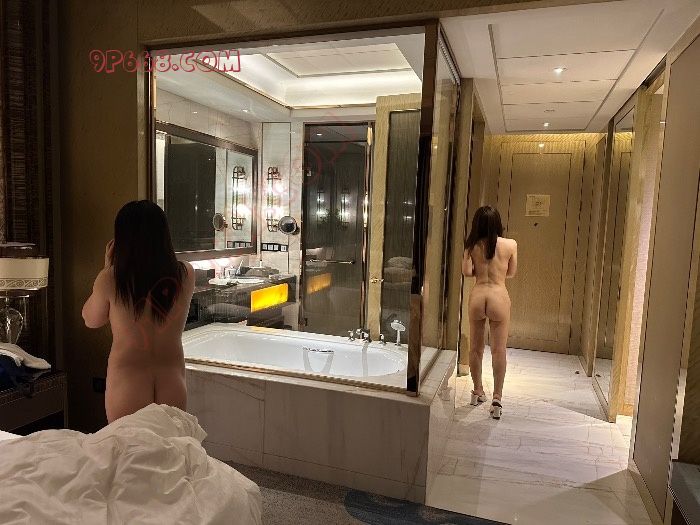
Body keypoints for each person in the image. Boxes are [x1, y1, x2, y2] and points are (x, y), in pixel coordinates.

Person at [82, 200, 195, 423]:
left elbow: (91, 320)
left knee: (128, 445)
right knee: (170, 445)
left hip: (128, 384)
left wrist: (107, 268)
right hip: (172, 382)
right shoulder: (185, 274)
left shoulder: (111, 278)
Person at [462, 206, 517, 419]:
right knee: (498, 350)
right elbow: (511, 273)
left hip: (478, 296)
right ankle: (497, 398)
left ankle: (477, 390)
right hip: (498, 296)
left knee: (475, 349)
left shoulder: (471, 245)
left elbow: (467, 272)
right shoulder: (510, 245)